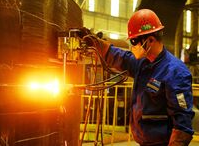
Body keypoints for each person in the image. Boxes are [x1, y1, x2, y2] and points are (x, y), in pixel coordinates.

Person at [82, 9, 195, 146]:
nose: (133, 46)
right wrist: (95, 43)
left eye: (135, 41)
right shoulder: (143, 63)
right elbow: (120, 57)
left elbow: (182, 126)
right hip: (143, 142)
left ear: (151, 40)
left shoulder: (175, 72)